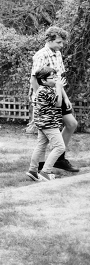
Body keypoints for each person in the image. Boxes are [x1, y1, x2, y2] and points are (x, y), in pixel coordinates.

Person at [30, 26, 79, 172]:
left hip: (58, 94)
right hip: (47, 98)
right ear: (49, 40)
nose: (61, 46)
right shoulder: (41, 55)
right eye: (59, 42)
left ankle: (58, 158)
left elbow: (59, 79)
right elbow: (34, 78)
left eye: (62, 43)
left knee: (71, 124)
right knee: (47, 132)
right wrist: (40, 98)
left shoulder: (57, 54)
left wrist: (66, 97)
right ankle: (46, 164)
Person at [27, 67, 66, 181]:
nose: (55, 79)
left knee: (41, 146)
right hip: (49, 124)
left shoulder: (43, 89)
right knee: (60, 147)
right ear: (43, 80)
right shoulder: (46, 90)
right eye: (52, 77)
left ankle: (33, 171)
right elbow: (58, 103)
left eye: (55, 76)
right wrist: (59, 87)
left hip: (43, 123)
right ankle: (45, 172)